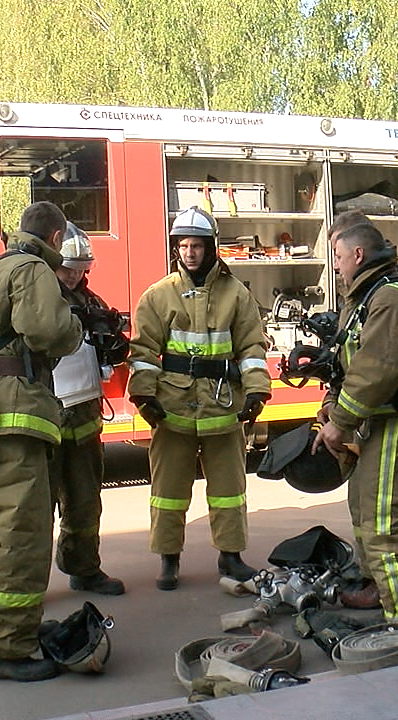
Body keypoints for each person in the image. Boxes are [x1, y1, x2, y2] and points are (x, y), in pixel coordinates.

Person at [0, 201, 84, 682]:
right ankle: (2, 650)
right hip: (11, 415)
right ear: (55, 240)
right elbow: (50, 330)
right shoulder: (32, 269)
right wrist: (73, 326)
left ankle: (8, 632)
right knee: (20, 534)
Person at [128, 206, 271, 591]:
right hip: (172, 410)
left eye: (197, 245)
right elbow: (142, 352)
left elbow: (252, 347)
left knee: (228, 490)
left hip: (222, 407)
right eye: (183, 245)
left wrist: (257, 389)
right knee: (168, 492)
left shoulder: (236, 294)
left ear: (212, 248)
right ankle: (169, 559)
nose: (189, 252)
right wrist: (144, 397)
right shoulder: (158, 296)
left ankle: (231, 555)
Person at [312, 221, 398, 624]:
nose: (334, 266)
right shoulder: (368, 295)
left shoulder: (389, 299)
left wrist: (341, 422)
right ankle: (383, 584)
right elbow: (350, 362)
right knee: (380, 509)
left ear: (357, 256)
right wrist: (332, 406)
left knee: (385, 521)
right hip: (379, 423)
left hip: (396, 424)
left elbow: (377, 370)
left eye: (336, 256)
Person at [49, 222, 127, 597]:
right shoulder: (36, 298)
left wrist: (112, 341)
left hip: (83, 414)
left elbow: (108, 347)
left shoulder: (88, 299)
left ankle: (84, 568)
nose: (76, 276)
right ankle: (24, 586)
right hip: (44, 413)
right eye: (68, 269)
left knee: (84, 500)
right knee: (33, 509)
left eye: (82, 269)